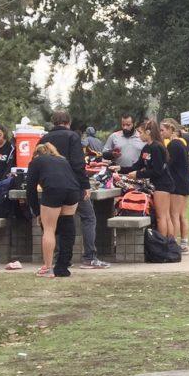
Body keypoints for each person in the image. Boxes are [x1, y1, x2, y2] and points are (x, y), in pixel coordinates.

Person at [39, 111, 109, 269]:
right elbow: (78, 164)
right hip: (72, 186)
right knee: (88, 217)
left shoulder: (44, 138)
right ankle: (89, 257)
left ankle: (59, 258)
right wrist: (85, 185)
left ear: (54, 122)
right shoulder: (72, 137)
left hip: (51, 187)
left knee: (56, 222)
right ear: (68, 122)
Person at [25, 143, 80, 277]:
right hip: (73, 191)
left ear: (36, 154)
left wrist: (37, 212)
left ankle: (48, 268)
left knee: (49, 229)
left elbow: (30, 190)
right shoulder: (62, 160)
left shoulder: (36, 161)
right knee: (67, 227)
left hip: (54, 189)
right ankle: (62, 267)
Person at [115, 120, 174, 239]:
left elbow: (157, 171)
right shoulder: (146, 148)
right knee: (164, 215)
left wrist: (138, 174)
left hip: (163, 184)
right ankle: (167, 243)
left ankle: (164, 243)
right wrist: (120, 168)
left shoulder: (157, 147)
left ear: (148, 132)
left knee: (162, 216)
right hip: (156, 184)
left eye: (140, 132)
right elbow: (137, 165)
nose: (138, 135)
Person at [160, 118, 189, 252]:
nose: (161, 133)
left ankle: (175, 243)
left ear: (170, 130)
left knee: (174, 215)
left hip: (177, 183)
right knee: (182, 215)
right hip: (185, 182)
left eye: (162, 130)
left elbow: (169, 165)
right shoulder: (182, 143)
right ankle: (184, 242)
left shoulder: (173, 145)